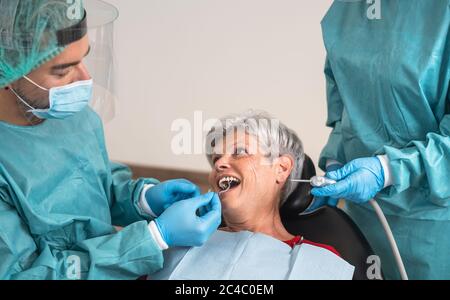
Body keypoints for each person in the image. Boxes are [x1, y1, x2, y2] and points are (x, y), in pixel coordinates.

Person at [0, 0, 221, 280]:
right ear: (7, 69)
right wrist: (152, 239)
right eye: (62, 70)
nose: (85, 77)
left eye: (84, 57)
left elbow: (94, 187)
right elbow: (27, 275)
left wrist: (143, 200)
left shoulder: (74, 117)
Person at [310, 0, 450, 279]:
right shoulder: (350, 7)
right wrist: (337, 157)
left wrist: (389, 169)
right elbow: (344, 100)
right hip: (362, 212)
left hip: (430, 222)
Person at [150, 110, 354, 280]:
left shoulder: (321, 264)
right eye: (216, 159)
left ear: (281, 168)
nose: (219, 164)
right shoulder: (172, 245)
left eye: (239, 152)